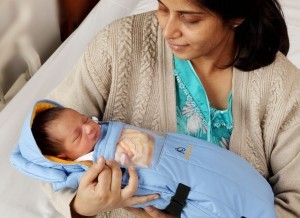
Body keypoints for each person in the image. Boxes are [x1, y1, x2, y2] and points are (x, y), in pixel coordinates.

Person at [38, 0, 300, 217]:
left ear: (236, 17)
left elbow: (295, 199)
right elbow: (44, 147)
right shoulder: (117, 45)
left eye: (190, 19)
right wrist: (82, 207)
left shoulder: (282, 88)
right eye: (163, 7)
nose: (168, 31)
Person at [11, 100, 276, 218]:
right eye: (78, 134)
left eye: (83, 118)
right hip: (176, 189)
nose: (91, 127)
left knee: (229, 176)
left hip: (184, 154)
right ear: (62, 156)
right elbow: (68, 189)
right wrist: (82, 205)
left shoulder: (102, 128)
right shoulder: (83, 171)